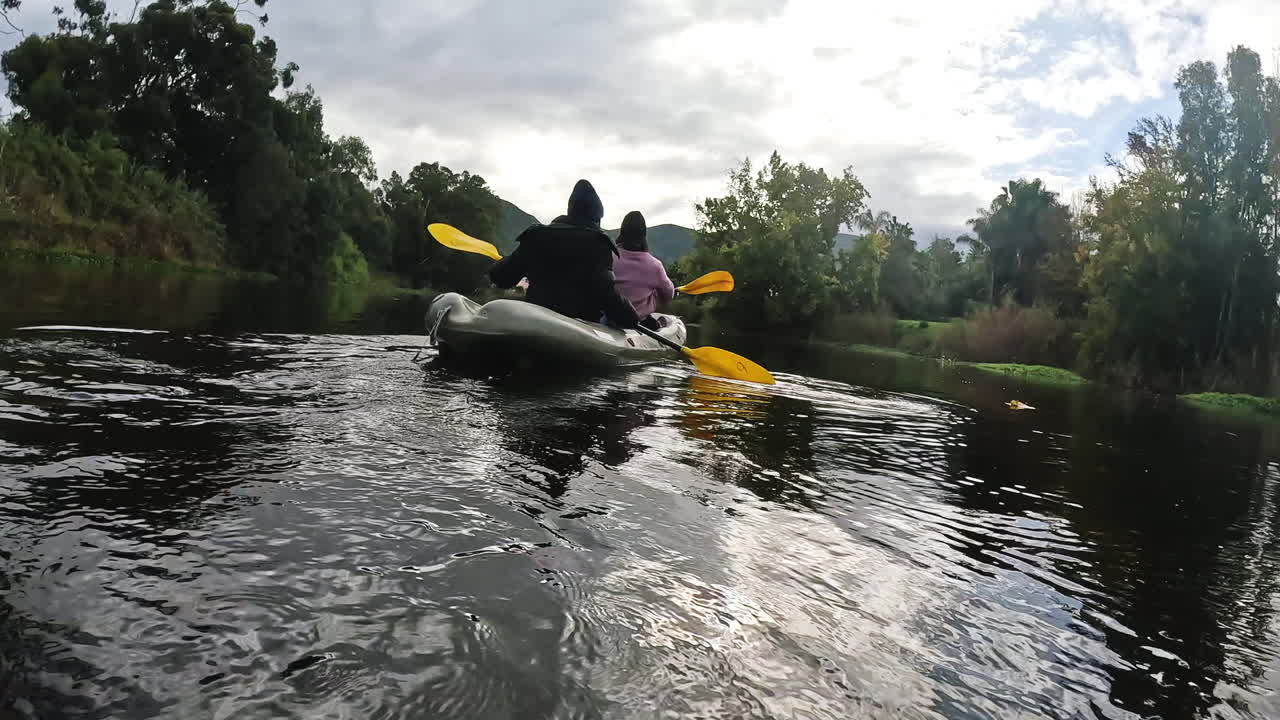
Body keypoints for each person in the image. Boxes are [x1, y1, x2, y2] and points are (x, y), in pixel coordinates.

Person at [489, 179, 640, 329]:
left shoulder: (536, 236)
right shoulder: (598, 244)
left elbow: (501, 277)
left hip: (534, 325)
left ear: (570, 210)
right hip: (580, 334)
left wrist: (502, 262)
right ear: (596, 218)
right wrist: (632, 319)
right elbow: (608, 296)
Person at [612, 210, 675, 330]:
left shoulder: (609, 257)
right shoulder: (655, 266)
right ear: (643, 236)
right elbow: (668, 294)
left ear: (622, 232)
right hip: (641, 323)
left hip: (609, 322)